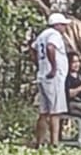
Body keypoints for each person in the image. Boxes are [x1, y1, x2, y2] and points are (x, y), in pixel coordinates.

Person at [30, 12, 71, 147]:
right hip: (53, 78)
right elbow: (50, 47)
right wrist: (53, 68)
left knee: (44, 112)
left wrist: (39, 65)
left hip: (43, 76)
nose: (65, 28)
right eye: (63, 25)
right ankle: (54, 143)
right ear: (57, 25)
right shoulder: (54, 35)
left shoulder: (43, 35)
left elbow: (33, 49)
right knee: (55, 112)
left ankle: (39, 142)